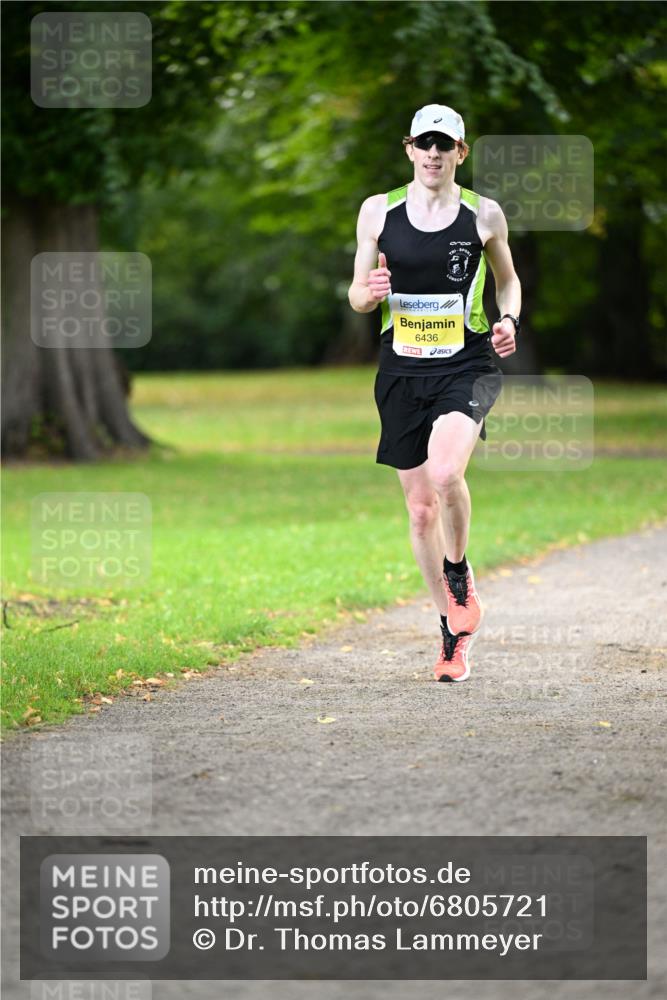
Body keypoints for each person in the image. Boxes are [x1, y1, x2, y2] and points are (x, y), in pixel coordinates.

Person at [348, 104, 521, 682]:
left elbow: (508, 281)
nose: (433, 154)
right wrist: (368, 293)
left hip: (466, 365)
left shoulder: (484, 214)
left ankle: (459, 572)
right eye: (424, 143)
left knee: (446, 474)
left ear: (460, 154)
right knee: (421, 512)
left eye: (444, 145)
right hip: (400, 371)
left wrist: (509, 320)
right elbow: (356, 293)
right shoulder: (378, 211)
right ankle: (451, 633)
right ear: (409, 149)